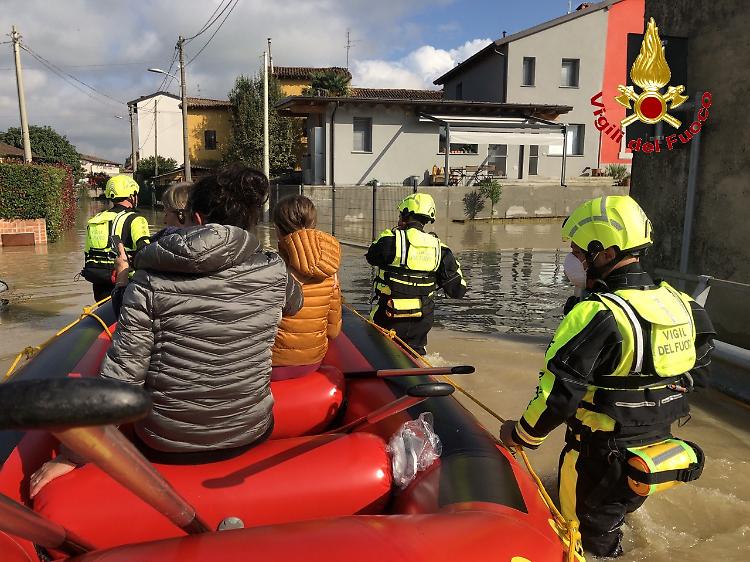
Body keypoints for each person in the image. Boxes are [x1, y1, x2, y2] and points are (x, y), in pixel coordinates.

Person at [31, 163, 303, 497]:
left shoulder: (148, 280)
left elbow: (123, 374)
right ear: (252, 220)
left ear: (196, 220)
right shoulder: (274, 269)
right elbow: (295, 304)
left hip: (166, 443)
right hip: (252, 430)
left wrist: (75, 453)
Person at [499, 195, 715, 558]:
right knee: (614, 521)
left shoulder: (596, 314)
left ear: (605, 252)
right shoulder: (683, 303)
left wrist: (521, 435)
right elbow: (702, 367)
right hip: (655, 452)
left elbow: (557, 398)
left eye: (580, 253)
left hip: (597, 459)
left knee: (579, 543)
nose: (575, 260)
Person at [366, 193, 466, 355]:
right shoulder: (441, 249)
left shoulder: (390, 240)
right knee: (416, 355)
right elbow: (458, 290)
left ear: (405, 214)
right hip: (420, 324)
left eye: (400, 215)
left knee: (378, 351)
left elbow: (371, 257)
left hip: (387, 318)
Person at [271, 195, 341, 379]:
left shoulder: (271, 266)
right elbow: (333, 332)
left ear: (277, 229)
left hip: (272, 365)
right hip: (313, 361)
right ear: (314, 224)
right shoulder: (330, 270)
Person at [81, 175, 150, 301]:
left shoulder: (95, 219)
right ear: (132, 195)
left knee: (105, 317)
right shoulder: (136, 219)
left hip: (99, 283)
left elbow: (87, 252)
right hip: (125, 282)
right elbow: (147, 254)